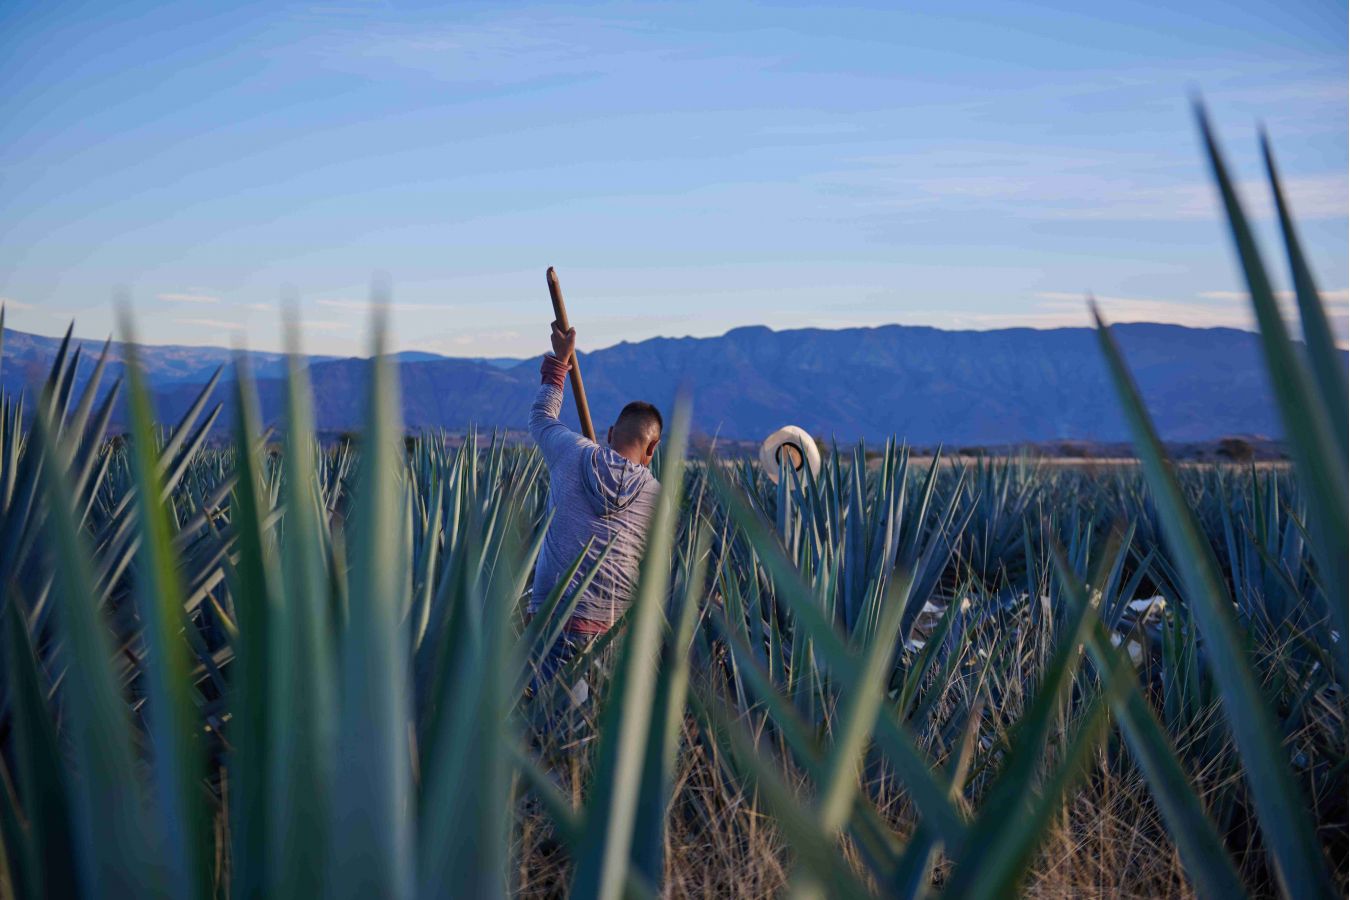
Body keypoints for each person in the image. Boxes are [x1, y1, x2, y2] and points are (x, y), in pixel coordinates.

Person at [527, 321, 663, 707]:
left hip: (555, 620)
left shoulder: (572, 453)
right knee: (600, 739)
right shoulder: (656, 498)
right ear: (652, 449)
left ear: (608, 433)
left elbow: (542, 417)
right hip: (613, 629)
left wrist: (559, 362)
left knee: (556, 730)